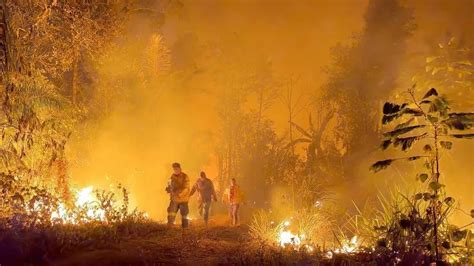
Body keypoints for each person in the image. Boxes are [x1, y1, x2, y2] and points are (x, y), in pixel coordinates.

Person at [165, 162, 190, 228]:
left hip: (183, 200)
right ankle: (170, 227)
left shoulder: (185, 176)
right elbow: (169, 185)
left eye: (176, 168)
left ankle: (185, 229)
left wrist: (180, 194)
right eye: (174, 169)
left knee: (184, 215)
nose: (175, 170)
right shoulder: (172, 177)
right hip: (174, 199)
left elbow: (186, 188)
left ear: (180, 168)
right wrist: (168, 189)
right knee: (171, 213)